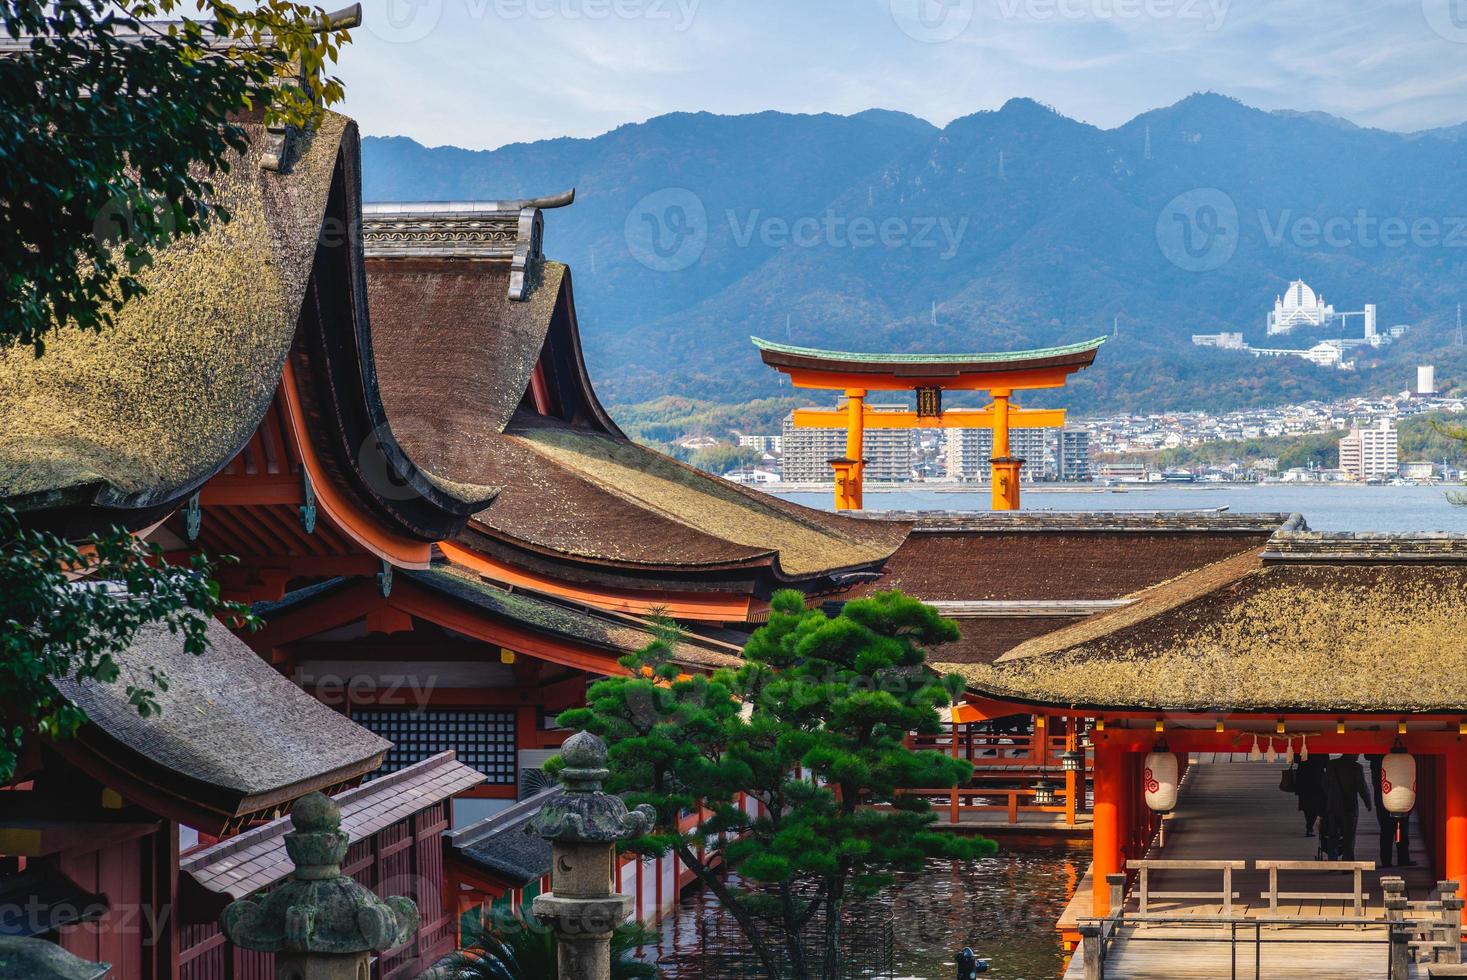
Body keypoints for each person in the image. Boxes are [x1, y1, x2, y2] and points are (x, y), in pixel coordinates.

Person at [1368, 754, 1414, 868]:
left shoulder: (1376, 760)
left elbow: (1367, 755)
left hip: (1383, 797)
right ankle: (1402, 859)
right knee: (1401, 829)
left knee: (1387, 831)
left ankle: (1386, 861)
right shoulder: (1400, 759)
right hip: (1399, 794)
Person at [1322, 754, 1372, 861]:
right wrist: (1368, 802)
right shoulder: (1356, 768)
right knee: (1349, 836)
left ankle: (1332, 860)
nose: (1358, 755)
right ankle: (1347, 861)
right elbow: (1362, 787)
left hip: (1333, 805)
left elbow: (1325, 784)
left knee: (1333, 835)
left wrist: (1331, 796)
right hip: (1349, 806)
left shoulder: (1332, 764)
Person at [1294, 755, 1328, 838]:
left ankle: (1309, 827)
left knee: (1306, 805)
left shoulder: (1302, 746)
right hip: (1317, 780)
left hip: (1303, 779)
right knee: (1316, 805)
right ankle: (1310, 827)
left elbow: (1296, 760)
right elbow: (1326, 764)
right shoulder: (1320, 747)